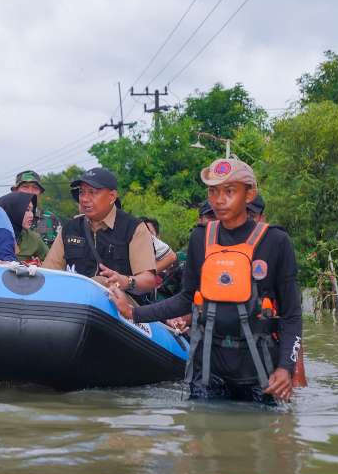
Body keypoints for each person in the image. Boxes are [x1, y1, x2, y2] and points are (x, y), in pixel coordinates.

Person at [108, 158, 302, 404]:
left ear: (250, 194)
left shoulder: (275, 242)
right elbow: (187, 298)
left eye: (229, 191)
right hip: (208, 370)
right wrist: (133, 314)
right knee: (203, 429)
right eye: (213, 191)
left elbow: (291, 315)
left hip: (259, 372)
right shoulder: (200, 238)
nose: (219, 199)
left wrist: (286, 367)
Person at [43, 167, 159, 303]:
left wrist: (126, 281)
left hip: (120, 310)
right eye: (81, 192)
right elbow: (48, 274)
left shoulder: (133, 228)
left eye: (92, 192)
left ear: (112, 197)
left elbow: (148, 280)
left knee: (101, 283)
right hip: (74, 306)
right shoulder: (69, 228)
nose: (85, 199)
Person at [0, 191, 49, 264]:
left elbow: (52, 262)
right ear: (12, 210)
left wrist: (36, 265)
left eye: (32, 210)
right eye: (27, 210)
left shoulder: (32, 238)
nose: (31, 215)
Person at [12, 170, 59, 246]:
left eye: (35, 188)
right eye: (25, 187)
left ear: (40, 193)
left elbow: (60, 252)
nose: (30, 192)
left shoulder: (50, 219)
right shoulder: (5, 218)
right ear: (15, 191)